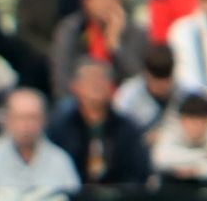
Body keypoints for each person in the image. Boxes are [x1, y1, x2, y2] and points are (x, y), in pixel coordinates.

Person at [47, 58, 152, 186]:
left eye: (101, 79)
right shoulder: (60, 128)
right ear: (75, 87)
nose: (96, 85)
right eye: (89, 80)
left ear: (111, 87)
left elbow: (138, 173)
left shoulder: (127, 129)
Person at [0, 88, 82, 193]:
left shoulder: (60, 160)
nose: (26, 125)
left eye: (32, 117)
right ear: (7, 120)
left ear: (44, 120)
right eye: (20, 118)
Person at [50, 0, 149, 98]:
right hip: (79, 100)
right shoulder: (71, 29)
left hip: (123, 101)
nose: (106, 3)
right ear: (86, 2)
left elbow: (138, 79)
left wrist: (115, 45)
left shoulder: (135, 32)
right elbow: (61, 75)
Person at [115, 44, 198, 145]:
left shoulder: (184, 92)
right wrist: (142, 139)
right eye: (157, 81)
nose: (162, 86)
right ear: (146, 74)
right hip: (139, 151)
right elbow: (117, 133)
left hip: (176, 150)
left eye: (167, 81)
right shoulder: (128, 95)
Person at [151, 95, 207, 181]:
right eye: (192, 123)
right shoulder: (172, 127)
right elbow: (159, 159)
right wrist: (204, 155)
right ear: (182, 120)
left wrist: (198, 170)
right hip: (171, 180)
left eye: (202, 122)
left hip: (204, 181)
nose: (197, 128)